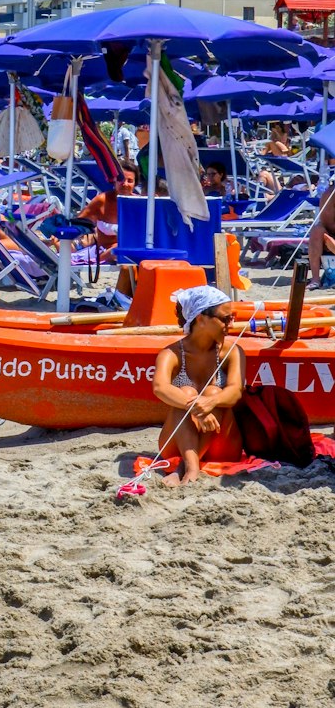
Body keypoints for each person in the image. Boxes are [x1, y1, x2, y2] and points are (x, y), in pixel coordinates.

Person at [152, 286, 245, 485]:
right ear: (201, 318)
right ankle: (192, 465)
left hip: (222, 444)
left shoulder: (233, 351)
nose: (231, 323)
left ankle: (184, 467)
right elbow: (160, 387)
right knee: (184, 394)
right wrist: (196, 406)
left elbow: (236, 392)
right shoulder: (172, 354)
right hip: (177, 442)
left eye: (232, 317)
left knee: (213, 392)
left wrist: (209, 402)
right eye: (225, 318)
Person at [74, 167, 137, 260]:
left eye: (130, 181)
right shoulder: (102, 201)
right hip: (104, 253)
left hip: (128, 252)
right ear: (114, 181)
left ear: (135, 184)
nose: (125, 184)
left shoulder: (139, 203)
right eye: (121, 180)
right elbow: (77, 223)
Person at [307, 181, 335, 290]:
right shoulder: (331, 194)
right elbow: (327, 222)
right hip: (331, 233)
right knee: (317, 231)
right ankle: (315, 279)